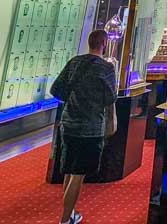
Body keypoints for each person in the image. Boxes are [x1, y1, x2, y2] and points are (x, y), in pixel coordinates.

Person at [50, 29, 118, 224]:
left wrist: (74, 102)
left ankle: (70, 212)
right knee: (78, 175)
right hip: (90, 126)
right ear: (104, 43)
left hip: (68, 123)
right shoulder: (106, 68)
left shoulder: (74, 63)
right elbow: (110, 97)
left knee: (70, 170)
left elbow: (56, 89)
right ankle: (65, 218)